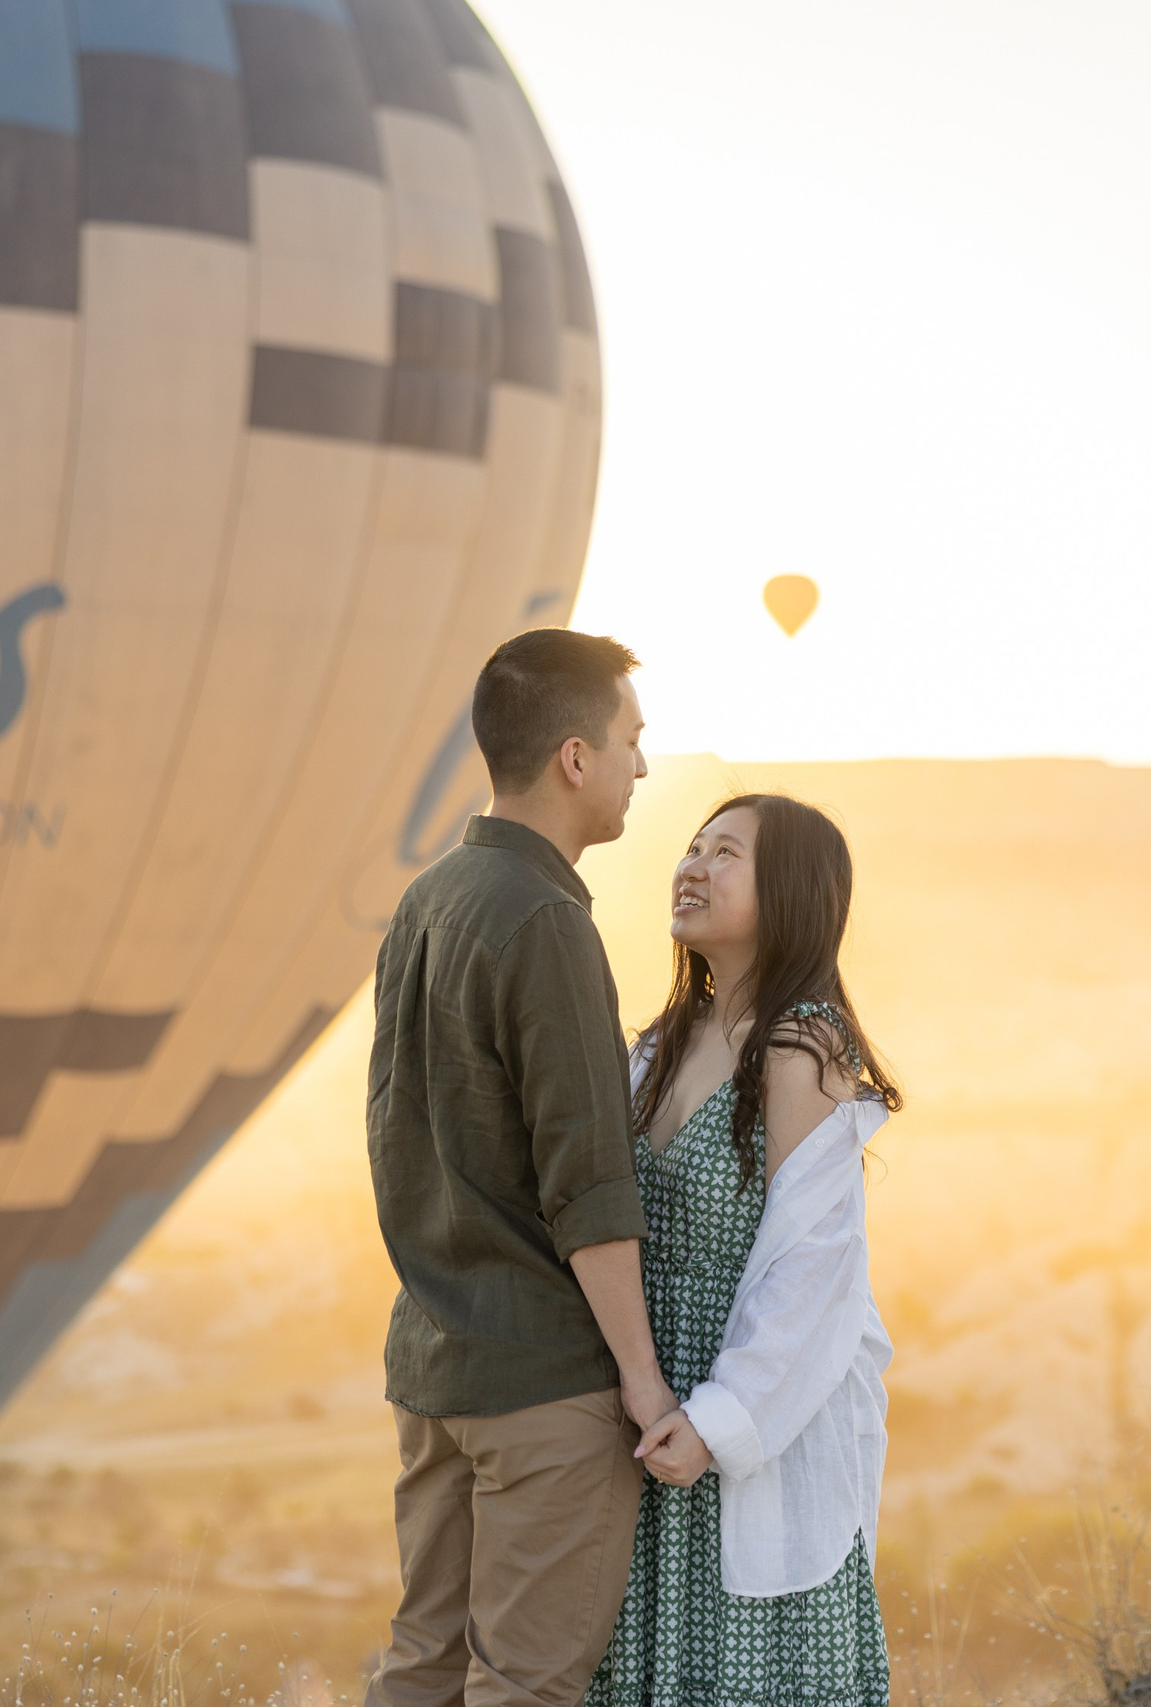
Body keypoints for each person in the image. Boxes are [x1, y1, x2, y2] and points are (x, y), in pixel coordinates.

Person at [366, 629, 670, 1707]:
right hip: (543, 1382)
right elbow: (588, 1184)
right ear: (575, 758)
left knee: (423, 1665)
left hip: (437, 1363)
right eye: (632, 739)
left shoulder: (428, 898)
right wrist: (642, 1380)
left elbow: (394, 1133)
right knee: (524, 1684)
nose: (644, 764)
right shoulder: (544, 919)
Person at [586, 794, 903, 1707]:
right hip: (646, 1409)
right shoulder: (659, 1045)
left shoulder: (802, 1048)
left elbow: (816, 1275)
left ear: (790, 891)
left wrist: (720, 1423)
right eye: (692, 846)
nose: (693, 866)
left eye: (726, 853)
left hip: (755, 1419)